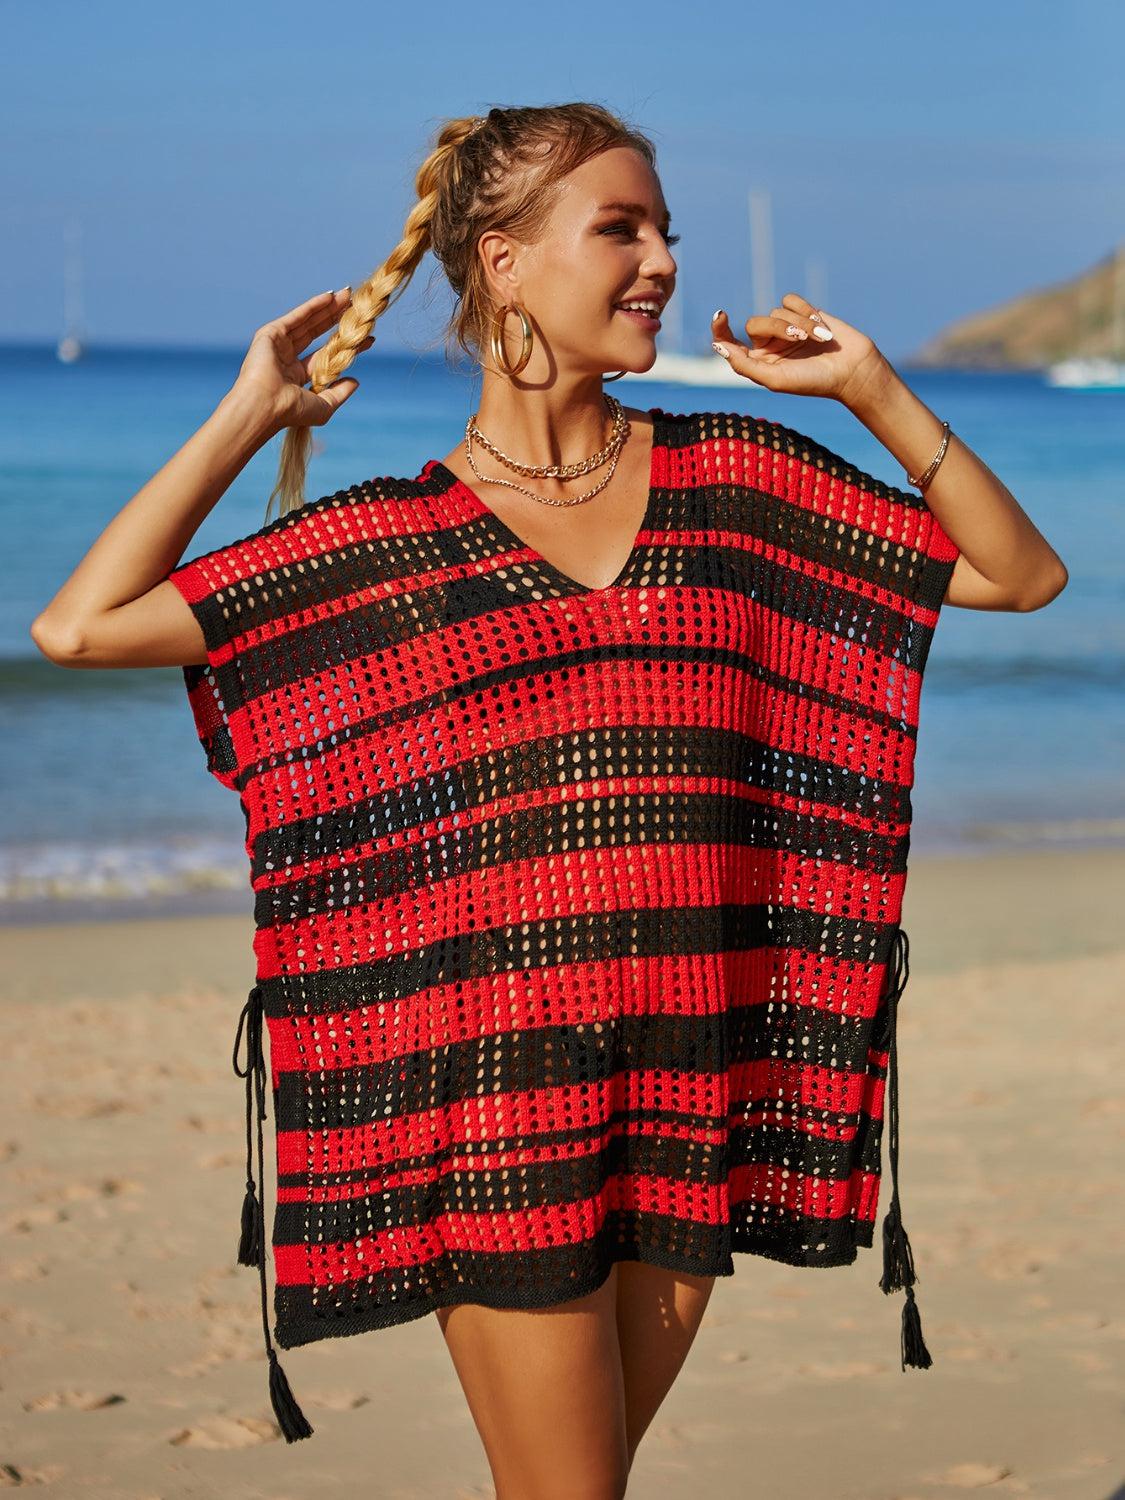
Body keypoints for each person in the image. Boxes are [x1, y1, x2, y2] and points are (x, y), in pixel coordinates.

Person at [31, 103, 1067, 1494]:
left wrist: (872, 389)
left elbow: (1015, 576)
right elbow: (81, 629)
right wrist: (245, 418)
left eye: (664, 233)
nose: (657, 264)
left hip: (696, 1066)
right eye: (619, 228)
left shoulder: (737, 481)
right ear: (502, 262)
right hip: (497, 1091)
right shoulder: (390, 544)